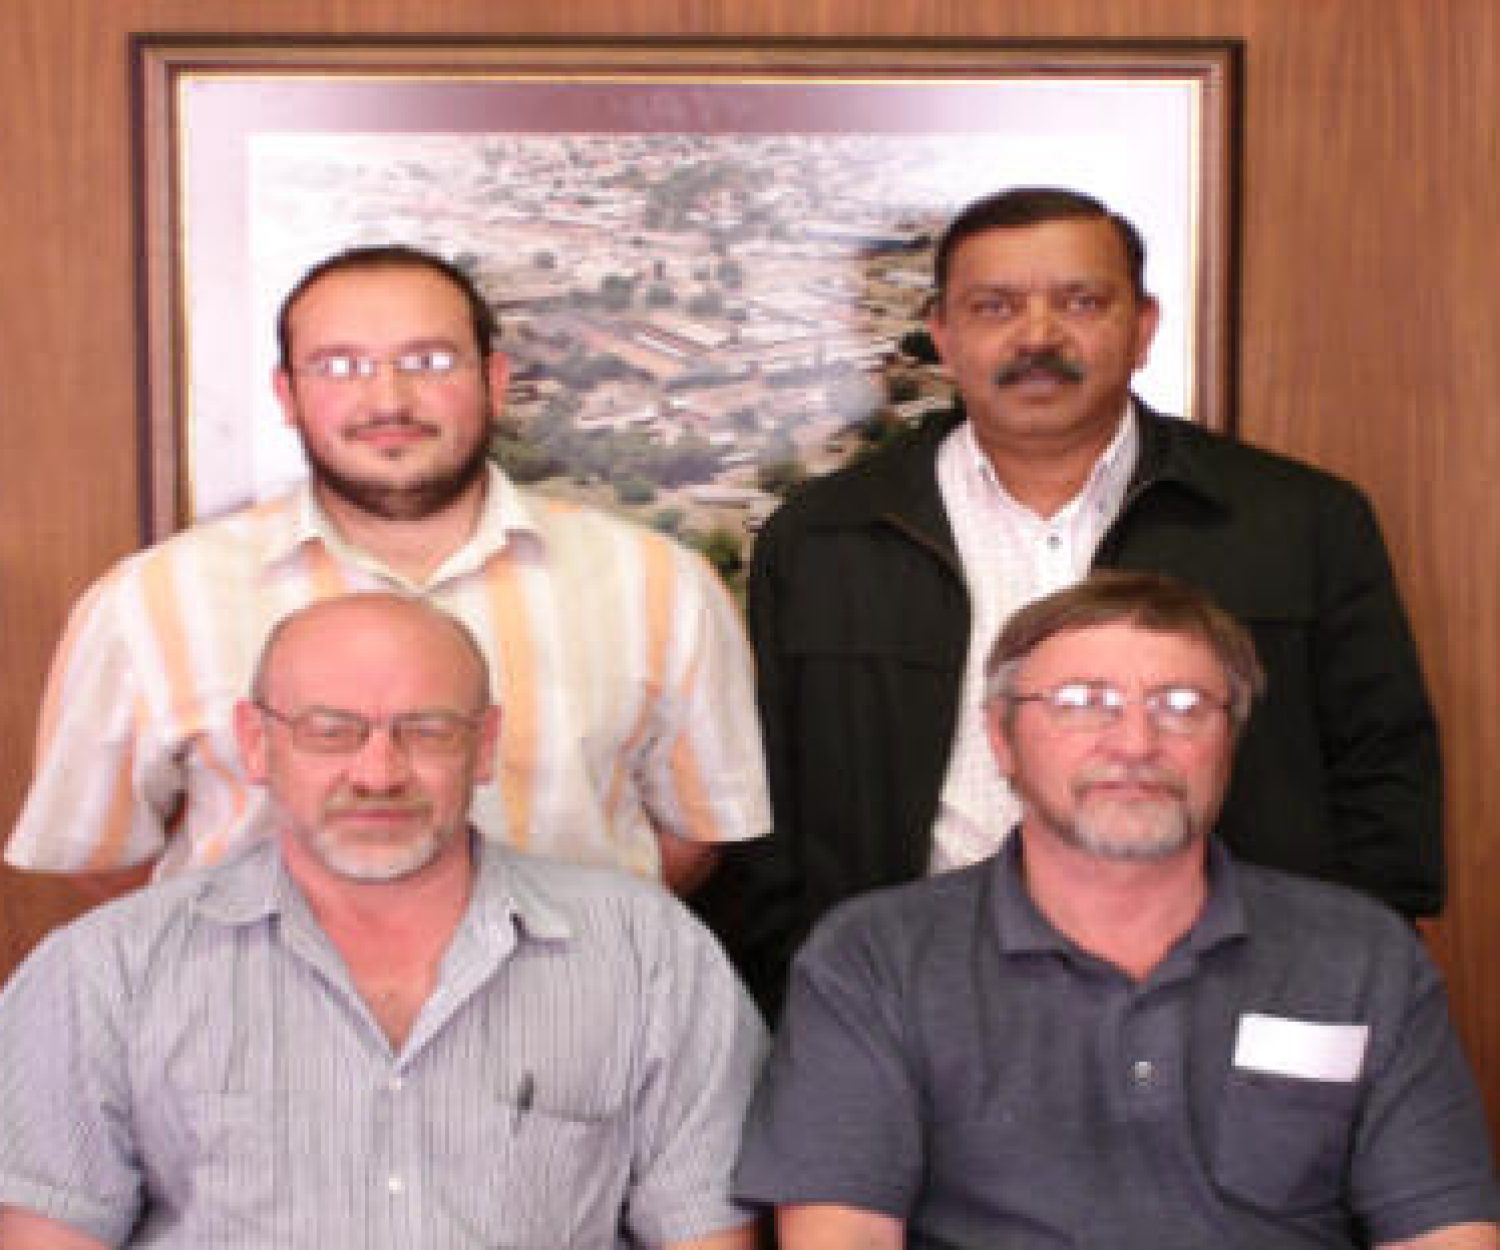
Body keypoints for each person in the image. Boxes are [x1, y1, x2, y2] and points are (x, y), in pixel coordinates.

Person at [718, 185, 1440, 1015]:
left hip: (1223, 1000)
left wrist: (1329, 996)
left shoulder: (1296, 521)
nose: (1038, 336)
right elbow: (763, 810)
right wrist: (809, 990)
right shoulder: (824, 539)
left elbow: (1386, 782)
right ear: (943, 337)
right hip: (911, 1008)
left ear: (1142, 328)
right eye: (995, 307)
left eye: (1081, 302)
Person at [735, 572, 1496, 1248]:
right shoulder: (873, 958)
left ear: (1230, 739)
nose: (1136, 742)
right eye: (1081, 704)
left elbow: (1444, 1229)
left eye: (1182, 705)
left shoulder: (1361, 954)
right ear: (1003, 739)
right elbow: (845, 1234)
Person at [0, 593, 767, 1249]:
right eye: (329, 731)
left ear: (485, 745)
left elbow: (705, 1233)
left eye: (427, 731)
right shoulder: (105, 969)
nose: (378, 773)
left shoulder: (649, 952)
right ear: (258, 743)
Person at [6, 244, 766, 899]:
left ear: (495, 381)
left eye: (429, 361)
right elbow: (101, 859)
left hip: (576, 1039)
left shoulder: (662, 586)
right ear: (287, 394)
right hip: (251, 1050)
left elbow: (695, 839)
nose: (388, 397)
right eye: (340, 366)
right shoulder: (149, 602)